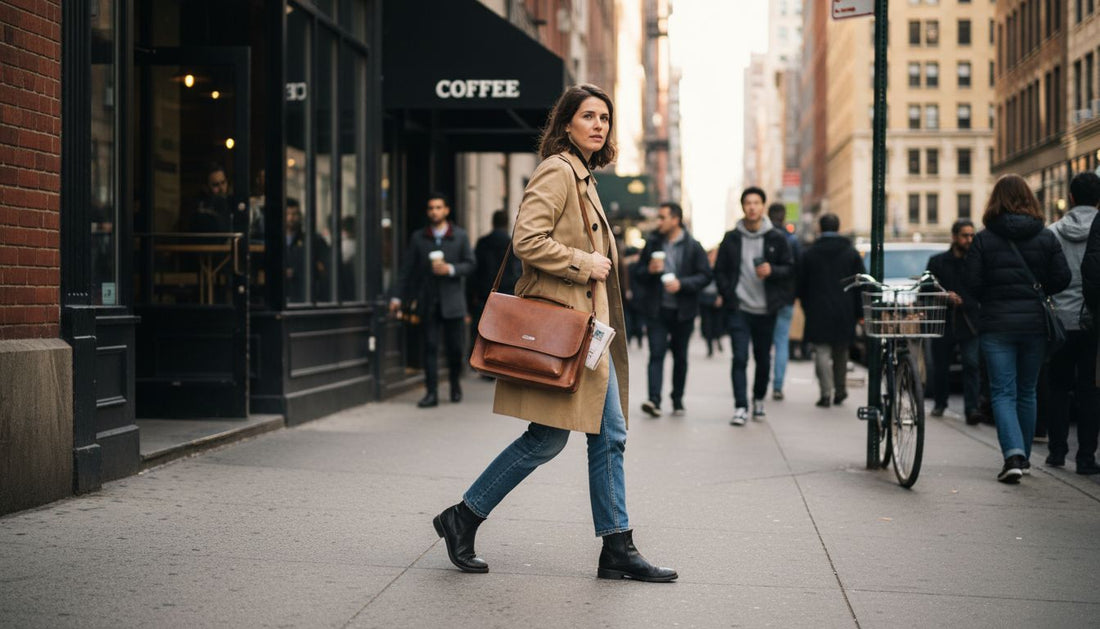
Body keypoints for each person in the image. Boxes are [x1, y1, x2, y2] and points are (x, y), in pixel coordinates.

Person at [431, 84, 677, 582]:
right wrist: (582, 263)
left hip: (589, 335)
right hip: (566, 331)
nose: (598, 125)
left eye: (605, 117)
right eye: (588, 116)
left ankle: (616, 546)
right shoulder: (558, 171)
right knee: (548, 440)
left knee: (607, 435)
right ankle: (465, 515)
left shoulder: (584, 177)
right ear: (566, 124)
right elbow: (527, 239)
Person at [964, 174, 1071, 483]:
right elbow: (1062, 277)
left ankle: (1013, 455)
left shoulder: (984, 238)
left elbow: (971, 283)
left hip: (997, 323)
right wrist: (1038, 289)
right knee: (1027, 390)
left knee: (1002, 391)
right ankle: (1021, 458)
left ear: (995, 200)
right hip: (1035, 324)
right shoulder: (1045, 236)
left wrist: (992, 296)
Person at [714, 187, 794, 425]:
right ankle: (740, 406)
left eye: (756, 203)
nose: (752, 207)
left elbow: (790, 268)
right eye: (748, 203)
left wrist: (773, 270)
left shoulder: (776, 237)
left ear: (763, 206)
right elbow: (720, 271)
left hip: (766, 309)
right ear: (743, 207)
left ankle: (758, 399)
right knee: (739, 357)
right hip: (739, 308)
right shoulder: (731, 238)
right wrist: (729, 295)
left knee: (762, 358)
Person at [389, 193, 476, 408]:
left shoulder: (460, 236)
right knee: (429, 347)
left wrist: (451, 269)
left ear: (446, 210)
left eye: (438, 207)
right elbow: (406, 270)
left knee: (455, 349)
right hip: (428, 301)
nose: (434, 211)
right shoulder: (419, 238)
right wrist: (397, 296)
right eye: (431, 208)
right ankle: (431, 393)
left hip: (453, 302)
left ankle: (455, 383)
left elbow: (471, 264)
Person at [632, 202, 712, 417]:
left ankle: (677, 399)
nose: (659, 222)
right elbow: (638, 273)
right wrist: (648, 269)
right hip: (657, 310)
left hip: (683, 311)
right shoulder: (653, 242)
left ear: (675, 220)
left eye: (663, 217)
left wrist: (682, 284)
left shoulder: (693, 246)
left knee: (680, 356)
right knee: (656, 354)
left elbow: (705, 275)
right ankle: (654, 400)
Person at [1046, 172, 1100, 475]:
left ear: (1073, 197)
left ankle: (1056, 452)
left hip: (1060, 321)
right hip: (1094, 321)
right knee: (1090, 390)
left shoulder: (1052, 232)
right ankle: (1086, 457)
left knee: (1058, 387)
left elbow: (1046, 277)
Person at [798, 213, 865, 408]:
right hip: (845, 308)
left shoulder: (810, 253)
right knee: (841, 351)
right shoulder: (850, 252)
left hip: (817, 308)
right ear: (838, 227)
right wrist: (859, 312)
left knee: (820, 350)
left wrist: (806, 305)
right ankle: (841, 389)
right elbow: (860, 283)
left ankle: (825, 393)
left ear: (820, 227)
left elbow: (801, 284)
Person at [925, 219, 982, 423]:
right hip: (944, 321)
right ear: (954, 237)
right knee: (940, 366)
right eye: (965, 235)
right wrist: (944, 296)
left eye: (972, 235)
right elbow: (927, 289)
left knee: (971, 364)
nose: (969, 239)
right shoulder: (937, 261)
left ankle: (972, 409)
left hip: (970, 322)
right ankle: (941, 404)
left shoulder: (976, 261)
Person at [470, 210, 522, 348]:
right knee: (504, 336)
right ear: (506, 223)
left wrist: (472, 296)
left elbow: (474, 271)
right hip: (507, 296)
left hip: (484, 295)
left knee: (482, 335)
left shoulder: (483, 243)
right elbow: (518, 272)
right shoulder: (512, 244)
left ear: (493, 223)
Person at [767, 203, 800, 400]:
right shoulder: (792, 240)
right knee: (781, 342)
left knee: (764, 343)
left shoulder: (765, 236)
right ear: (784, 216)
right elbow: (798, 269)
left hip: (766, 297)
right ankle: (777, 385)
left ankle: (764, 381)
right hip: (786, 297)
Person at [190, 162, 232, 232]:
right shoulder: (200, 209)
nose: (221, 188)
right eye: (216, 185)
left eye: (223, 182)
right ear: (205, 187)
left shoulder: (231, 202)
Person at [699, 248, 724, 357]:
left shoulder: (720, 267)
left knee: (717, 323)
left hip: (715, 298)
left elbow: (722, 283)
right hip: (704, 298)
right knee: (707, 324)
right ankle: (709, 346)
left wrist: (720, 296)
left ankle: (718, 339)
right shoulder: (704, 267)